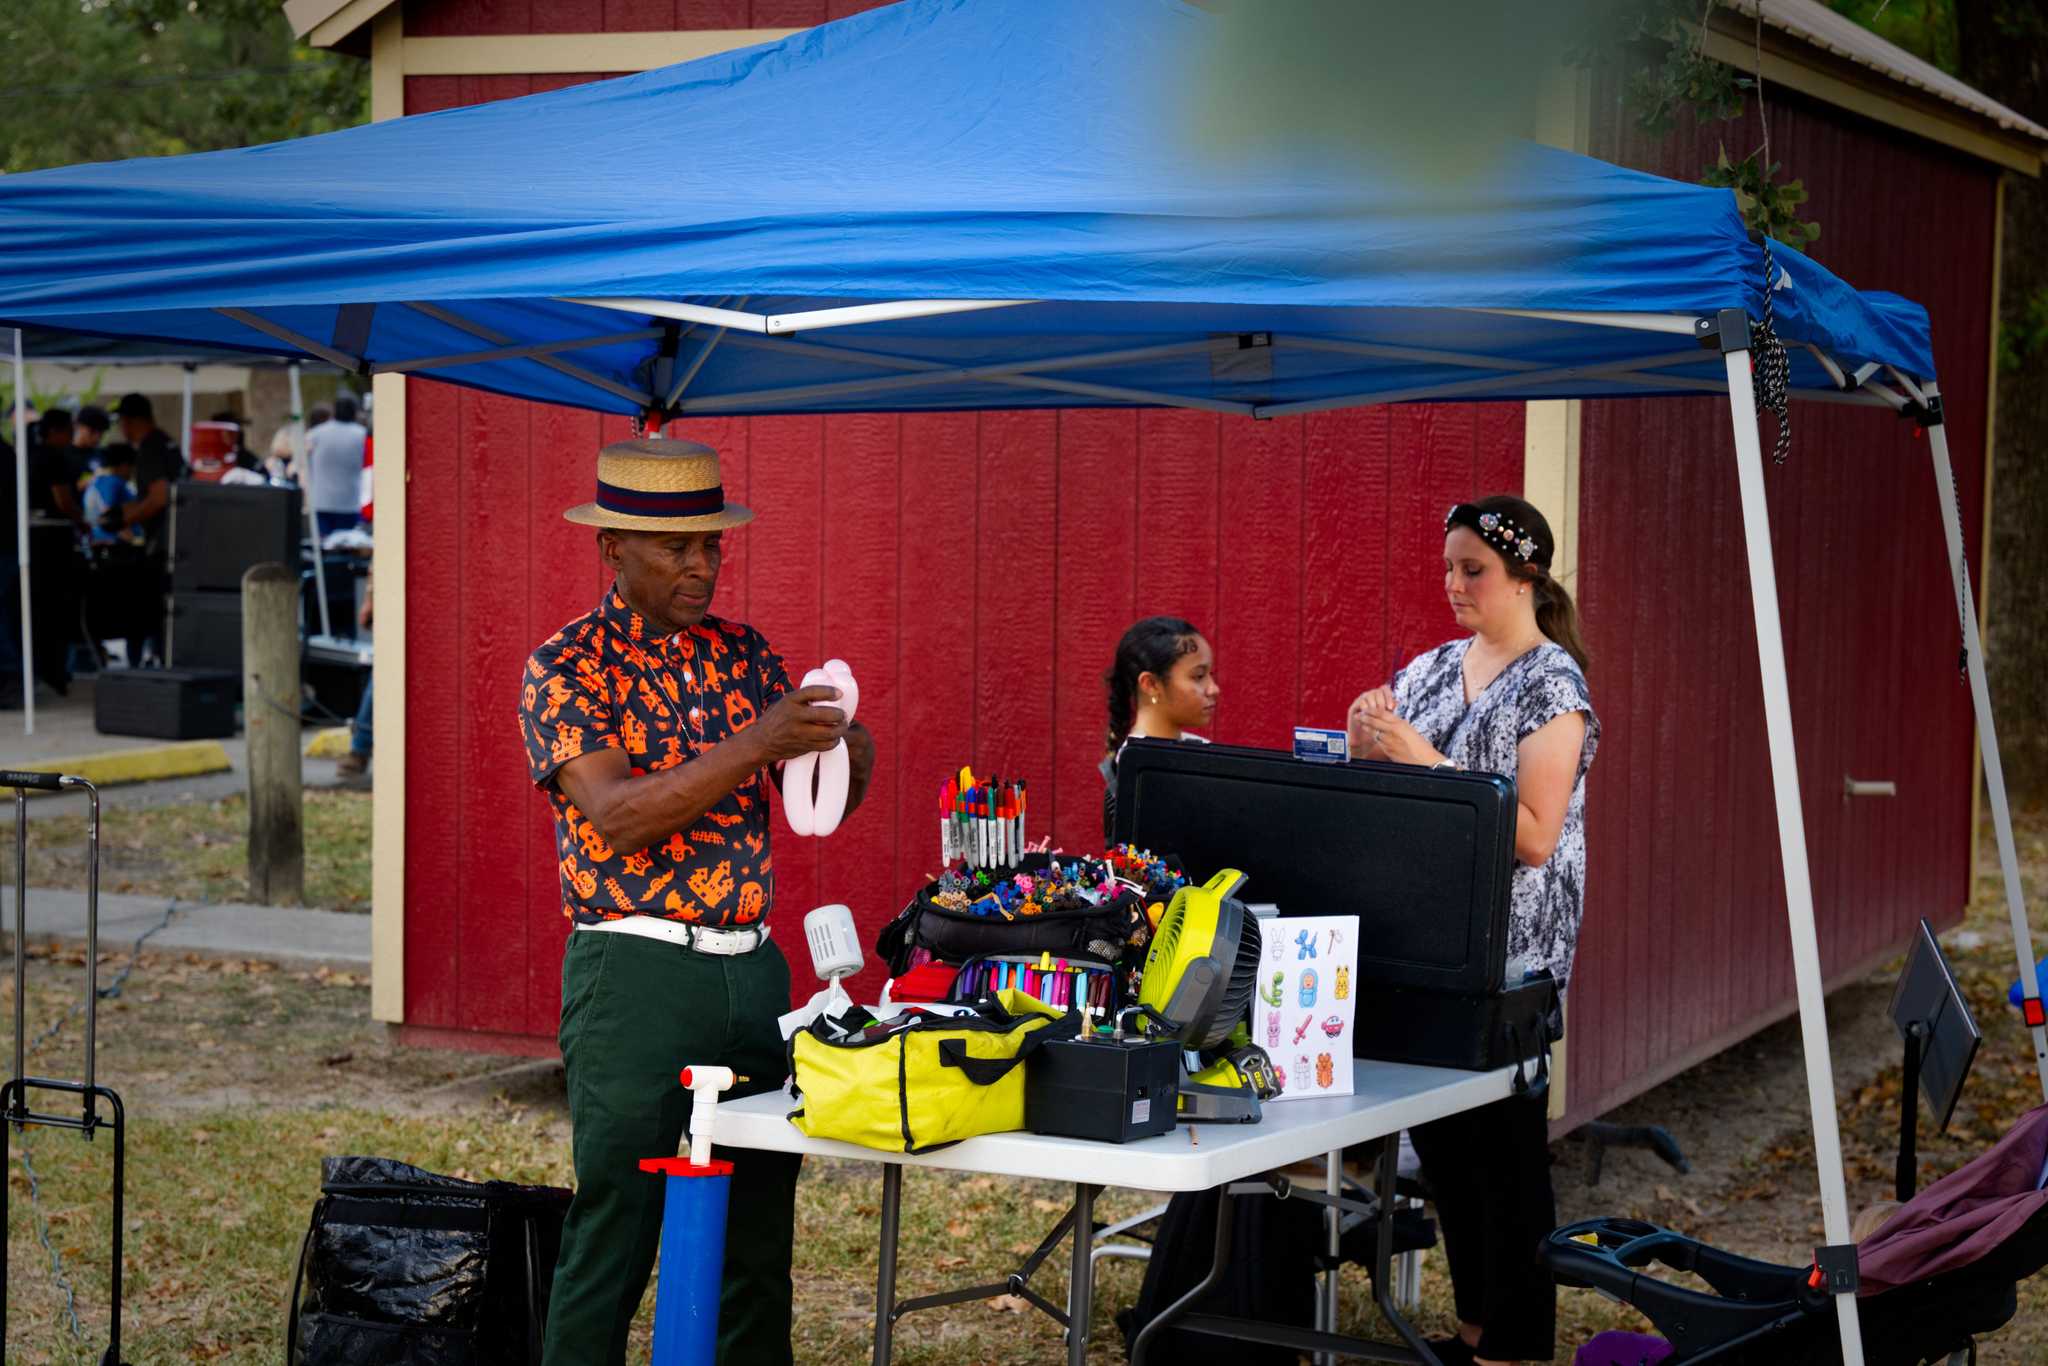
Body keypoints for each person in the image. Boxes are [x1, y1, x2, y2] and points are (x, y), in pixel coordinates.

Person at [522, 438, 876, 1366]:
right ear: (613, 550)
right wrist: (762, 741)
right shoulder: (567, 664)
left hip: (754, 971)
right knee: (617, 1230)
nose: (702, 565)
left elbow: (815, 795)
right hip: (632, 971)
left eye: (712, 545)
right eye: (676, 548)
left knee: (757, 1238)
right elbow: (619, 818)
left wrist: (844, 738)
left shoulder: (745, 653)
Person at [1345, 495, 1597, 1366]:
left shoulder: (1553, 684)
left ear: (1526, 576)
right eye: (1448, 566)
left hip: (1511, 959)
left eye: (1473, 569)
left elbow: (1533, 833)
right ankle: (1476, 1331)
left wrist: (1416, 753)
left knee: (1507, 1162)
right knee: (1450, 1152)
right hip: (1432, 944)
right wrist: (1362, 738)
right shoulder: (1432, 667)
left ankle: (1520, 1344)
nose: (1453, 583)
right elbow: (1373, 774)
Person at [1100, 615, 1218, 842]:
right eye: (1199, 676)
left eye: (1211, 675)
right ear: (1151, 684)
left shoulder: (1200, 749)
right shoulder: (1136, 772)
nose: (1213, 689)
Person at [102, 394, 178, 665]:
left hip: (165, 543)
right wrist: (127, 512)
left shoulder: (151, 448)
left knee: (151, 609)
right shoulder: (165, 442)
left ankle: (155, 659)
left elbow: (159, 497)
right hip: (174, 541)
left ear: (131, 421)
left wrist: (124, 518)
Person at [303, 394, 368, 536]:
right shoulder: (361, 435)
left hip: (321, 500)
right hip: (350, 501)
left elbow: (304, 460)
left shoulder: (315, 434)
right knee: (347, 546)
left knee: (324, 547)